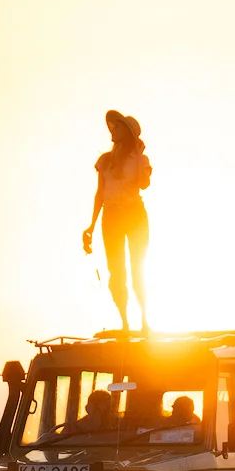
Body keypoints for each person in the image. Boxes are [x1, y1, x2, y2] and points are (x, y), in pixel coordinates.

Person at [82, 109, 152, 333]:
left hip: (134, 213)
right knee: (116, 270)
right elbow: (99, 194)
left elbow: (144, 184)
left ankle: (144, 321)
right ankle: (124, 322)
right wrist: (91, 226)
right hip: (111, 216)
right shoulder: (105, 161)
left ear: (128, 133)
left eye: (118, 127)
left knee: (137, 266)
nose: (113, 129)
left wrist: (140, 157)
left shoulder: (140, 159)